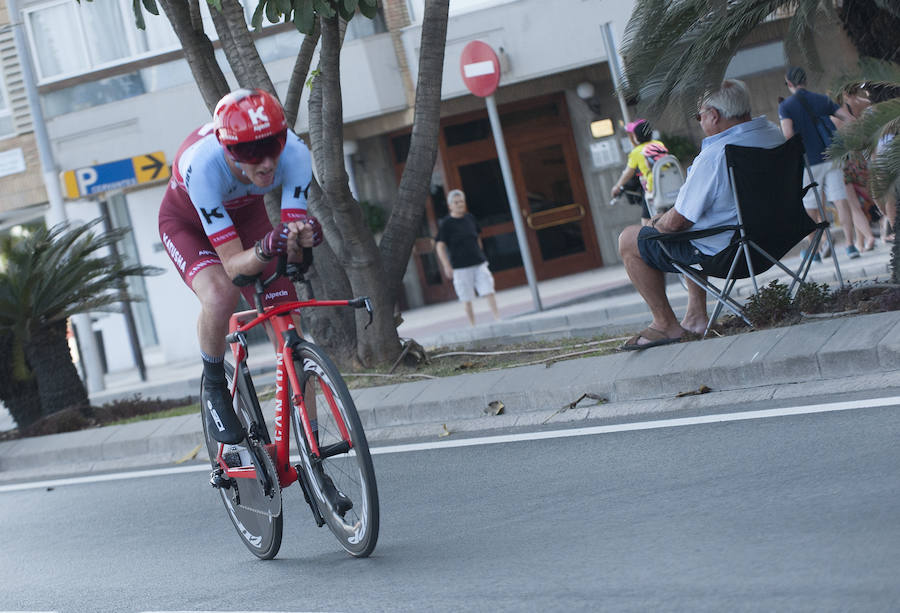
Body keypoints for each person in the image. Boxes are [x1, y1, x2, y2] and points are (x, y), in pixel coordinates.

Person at [158, 89, 322, 444]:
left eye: (272, 146)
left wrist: (302, 240)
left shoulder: (295, 154)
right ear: (228, 149)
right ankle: (214, 386)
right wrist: (267, 246)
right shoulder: (203, 167)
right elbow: (234, 267)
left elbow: (291, 255)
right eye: (250, 152)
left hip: (247, 217)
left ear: (283, 138)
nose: (265, 164)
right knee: (220, 294)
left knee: (286, 320)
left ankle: (313, 452)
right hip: (187, 224)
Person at [617, 79, 785, 349]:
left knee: (629, 239)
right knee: (696, 228)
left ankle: (665, 325)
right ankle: (695, 317)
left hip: (731, 253)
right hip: (776, 239)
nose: (699, 121)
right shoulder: (773, 134)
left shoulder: (716, 155)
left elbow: (677, 222)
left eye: (699, 116)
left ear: (714, 116)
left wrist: (656, 222)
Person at [779, 66, 858, 259]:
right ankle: (850, 246)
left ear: (789, 84)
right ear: (805, 80)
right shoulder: (822, 99)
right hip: (831, 157)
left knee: (810, 207)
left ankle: (814, 250)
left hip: (808, 162)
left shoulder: (786, 106)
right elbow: (849, 118)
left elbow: (788, 135)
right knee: (840, 200)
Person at [435, 189, 500, 326]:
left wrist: (479, 251)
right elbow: (440, 246)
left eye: (461, 202)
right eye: (456, 202)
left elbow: (477, 237)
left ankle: (497, 318)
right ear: (450, 205)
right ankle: (473, 325)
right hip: (460, 267)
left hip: (478, 262)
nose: (459, 204)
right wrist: (446, 265)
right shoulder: (446, 224)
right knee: (466, 297)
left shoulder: (470, 218)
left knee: (489, 289)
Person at [610, 119, 670, 225]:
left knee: (645, 223)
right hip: (668, 185)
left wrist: (617, 186)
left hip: (652, 189)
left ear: (636, 137)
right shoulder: (659, 144)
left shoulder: (636, 152)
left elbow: (628, 172)